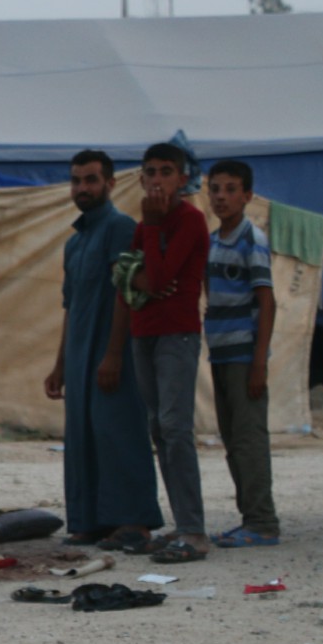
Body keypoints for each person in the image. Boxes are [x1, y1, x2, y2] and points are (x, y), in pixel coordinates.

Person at [43, 149, 161, 548]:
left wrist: (113, 354)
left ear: (109, 184)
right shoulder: (73, 245)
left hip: (112, 355)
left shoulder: (120, 228)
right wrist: (59, 366)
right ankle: (91, 521)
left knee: (118, 433)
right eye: (76, 180)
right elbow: (70, 306)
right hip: (78, 358)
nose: (83, 188)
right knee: (82, 438)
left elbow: (124, 294)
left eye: (91, 180)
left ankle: (132, 522)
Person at [105, 141, 210, 564]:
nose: (157, 181)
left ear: (181, 179)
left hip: (177, 334)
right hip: (144, 332)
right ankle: (182, 523)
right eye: (150, 172)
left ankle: (194, 531)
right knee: (159, 429)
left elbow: (157, 276)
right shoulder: (143, 226)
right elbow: (131, 282)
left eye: (166, 172)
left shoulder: (189, 221)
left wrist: (150, 235)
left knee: (176, 428)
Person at [201, 159, 278, 548]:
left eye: (231, 189)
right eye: (215, 189)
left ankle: (263, 522)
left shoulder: (253, 239)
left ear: (247, 196)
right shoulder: (213, 241)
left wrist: (259, 361)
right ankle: (250, 517)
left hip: (244, 354)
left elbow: (267, 301)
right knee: (233, 439)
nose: (221, 197)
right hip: (220, 353)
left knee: (249, 438)